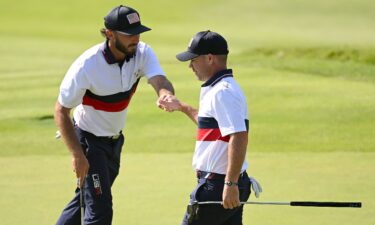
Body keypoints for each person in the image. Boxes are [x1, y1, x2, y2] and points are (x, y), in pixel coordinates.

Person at [54, 5, 175, 225]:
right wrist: (78, 155)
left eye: (138, 32)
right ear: (110, 34)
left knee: (83, 201)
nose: (136, 38)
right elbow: (61, 111)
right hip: (89, 142)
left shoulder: (142, 52)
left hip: (114, 142)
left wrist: (165, 94)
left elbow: (159, 79)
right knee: (100, 211)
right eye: (129, 34)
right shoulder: (87, 66)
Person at [158, 30, 262, 225]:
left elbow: (238, 136)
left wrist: (230, 184)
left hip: (218, 185)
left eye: (193, 60)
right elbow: (213, 126)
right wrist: (182, 107)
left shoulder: (223, 92)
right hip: (222, 182)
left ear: (210, 58)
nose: (190, 66)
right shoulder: (216, 88)